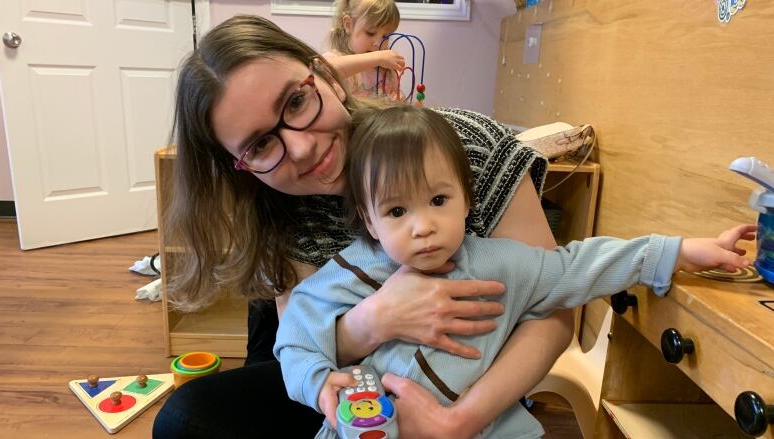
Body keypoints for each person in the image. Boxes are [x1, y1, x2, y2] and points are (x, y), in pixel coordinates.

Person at [154, 14, 579, 439]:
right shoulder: (276, 213)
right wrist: (377, 318)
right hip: (355, 391)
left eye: (297, 102)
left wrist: (458, 421)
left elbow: (556, 311)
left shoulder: (464, 144)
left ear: (326, 76)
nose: (302, 147)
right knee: (185, 420)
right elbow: (302, 348)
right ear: (241, 167)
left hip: (475, 393)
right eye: (261, 143)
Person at [273, 105, 756, 438]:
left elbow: (581, 265)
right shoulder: (348, 272)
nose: (423, 226)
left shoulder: (500, 264)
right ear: (370, 221)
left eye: (438, 200)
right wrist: (316, 382)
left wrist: (678, 251)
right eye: (397, 211)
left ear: (467, 199)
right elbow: (295, 338)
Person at [324, 0, 405, 99]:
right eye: (370, 33)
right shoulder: (336, 58)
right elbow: (325, 69)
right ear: (348, 25)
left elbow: (394, 98)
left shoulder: (386, 70)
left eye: (386, 36)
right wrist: (378, 57)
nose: (378, 43)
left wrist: (397, 100)